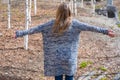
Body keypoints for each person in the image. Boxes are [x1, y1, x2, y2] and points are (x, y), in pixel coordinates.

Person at [15, 2, 115, 80]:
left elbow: (34, 29)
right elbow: (91, 28)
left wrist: (19, 33)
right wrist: (106, 31)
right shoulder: (75, 24)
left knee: (58, 78)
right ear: (69, 12)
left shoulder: (51, 24)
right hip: (69, 58)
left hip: (55, 59)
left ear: (58, 12)